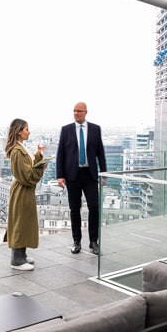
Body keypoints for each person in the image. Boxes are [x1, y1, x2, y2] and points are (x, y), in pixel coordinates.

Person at [56, 102, 106, 255]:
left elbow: (100, 153)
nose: (76, 113)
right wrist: (60, 176)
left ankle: (93, 242)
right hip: (72, 176)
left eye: (79, 111)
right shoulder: (66, 130)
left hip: (90, 175)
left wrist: (103, 173)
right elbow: (60, 154)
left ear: (86, 112)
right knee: (74, 209)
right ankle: (76, 241)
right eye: (74, 111)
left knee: (94, 207)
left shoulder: (95, 129)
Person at [4, 118, 47, 271]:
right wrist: (40, 167)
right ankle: (16, 260)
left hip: (23, 190)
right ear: (19, 131)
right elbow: (27, 176)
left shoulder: (20, 148)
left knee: (24, 221)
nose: (29, 132)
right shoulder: (17, 151)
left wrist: (39, 155)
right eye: (27, 129)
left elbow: (27, 169)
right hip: (22, 190)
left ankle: (21, 255)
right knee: (20, 222)